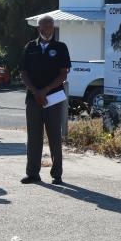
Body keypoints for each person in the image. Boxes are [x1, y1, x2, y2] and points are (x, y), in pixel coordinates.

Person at [20, 14, 70, 184]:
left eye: (50, 26)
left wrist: (46, 90)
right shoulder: (30, 47)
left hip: (54, 97)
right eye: (44, 26)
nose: (47, 29)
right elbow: (23, 73)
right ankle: (32, 173)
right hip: (33, 98)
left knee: (54, 135)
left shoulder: (61, 47)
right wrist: (36, 92)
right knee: (34, 137)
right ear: (38, 28)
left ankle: (57, 174)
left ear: (53, 28)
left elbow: (63, 74)